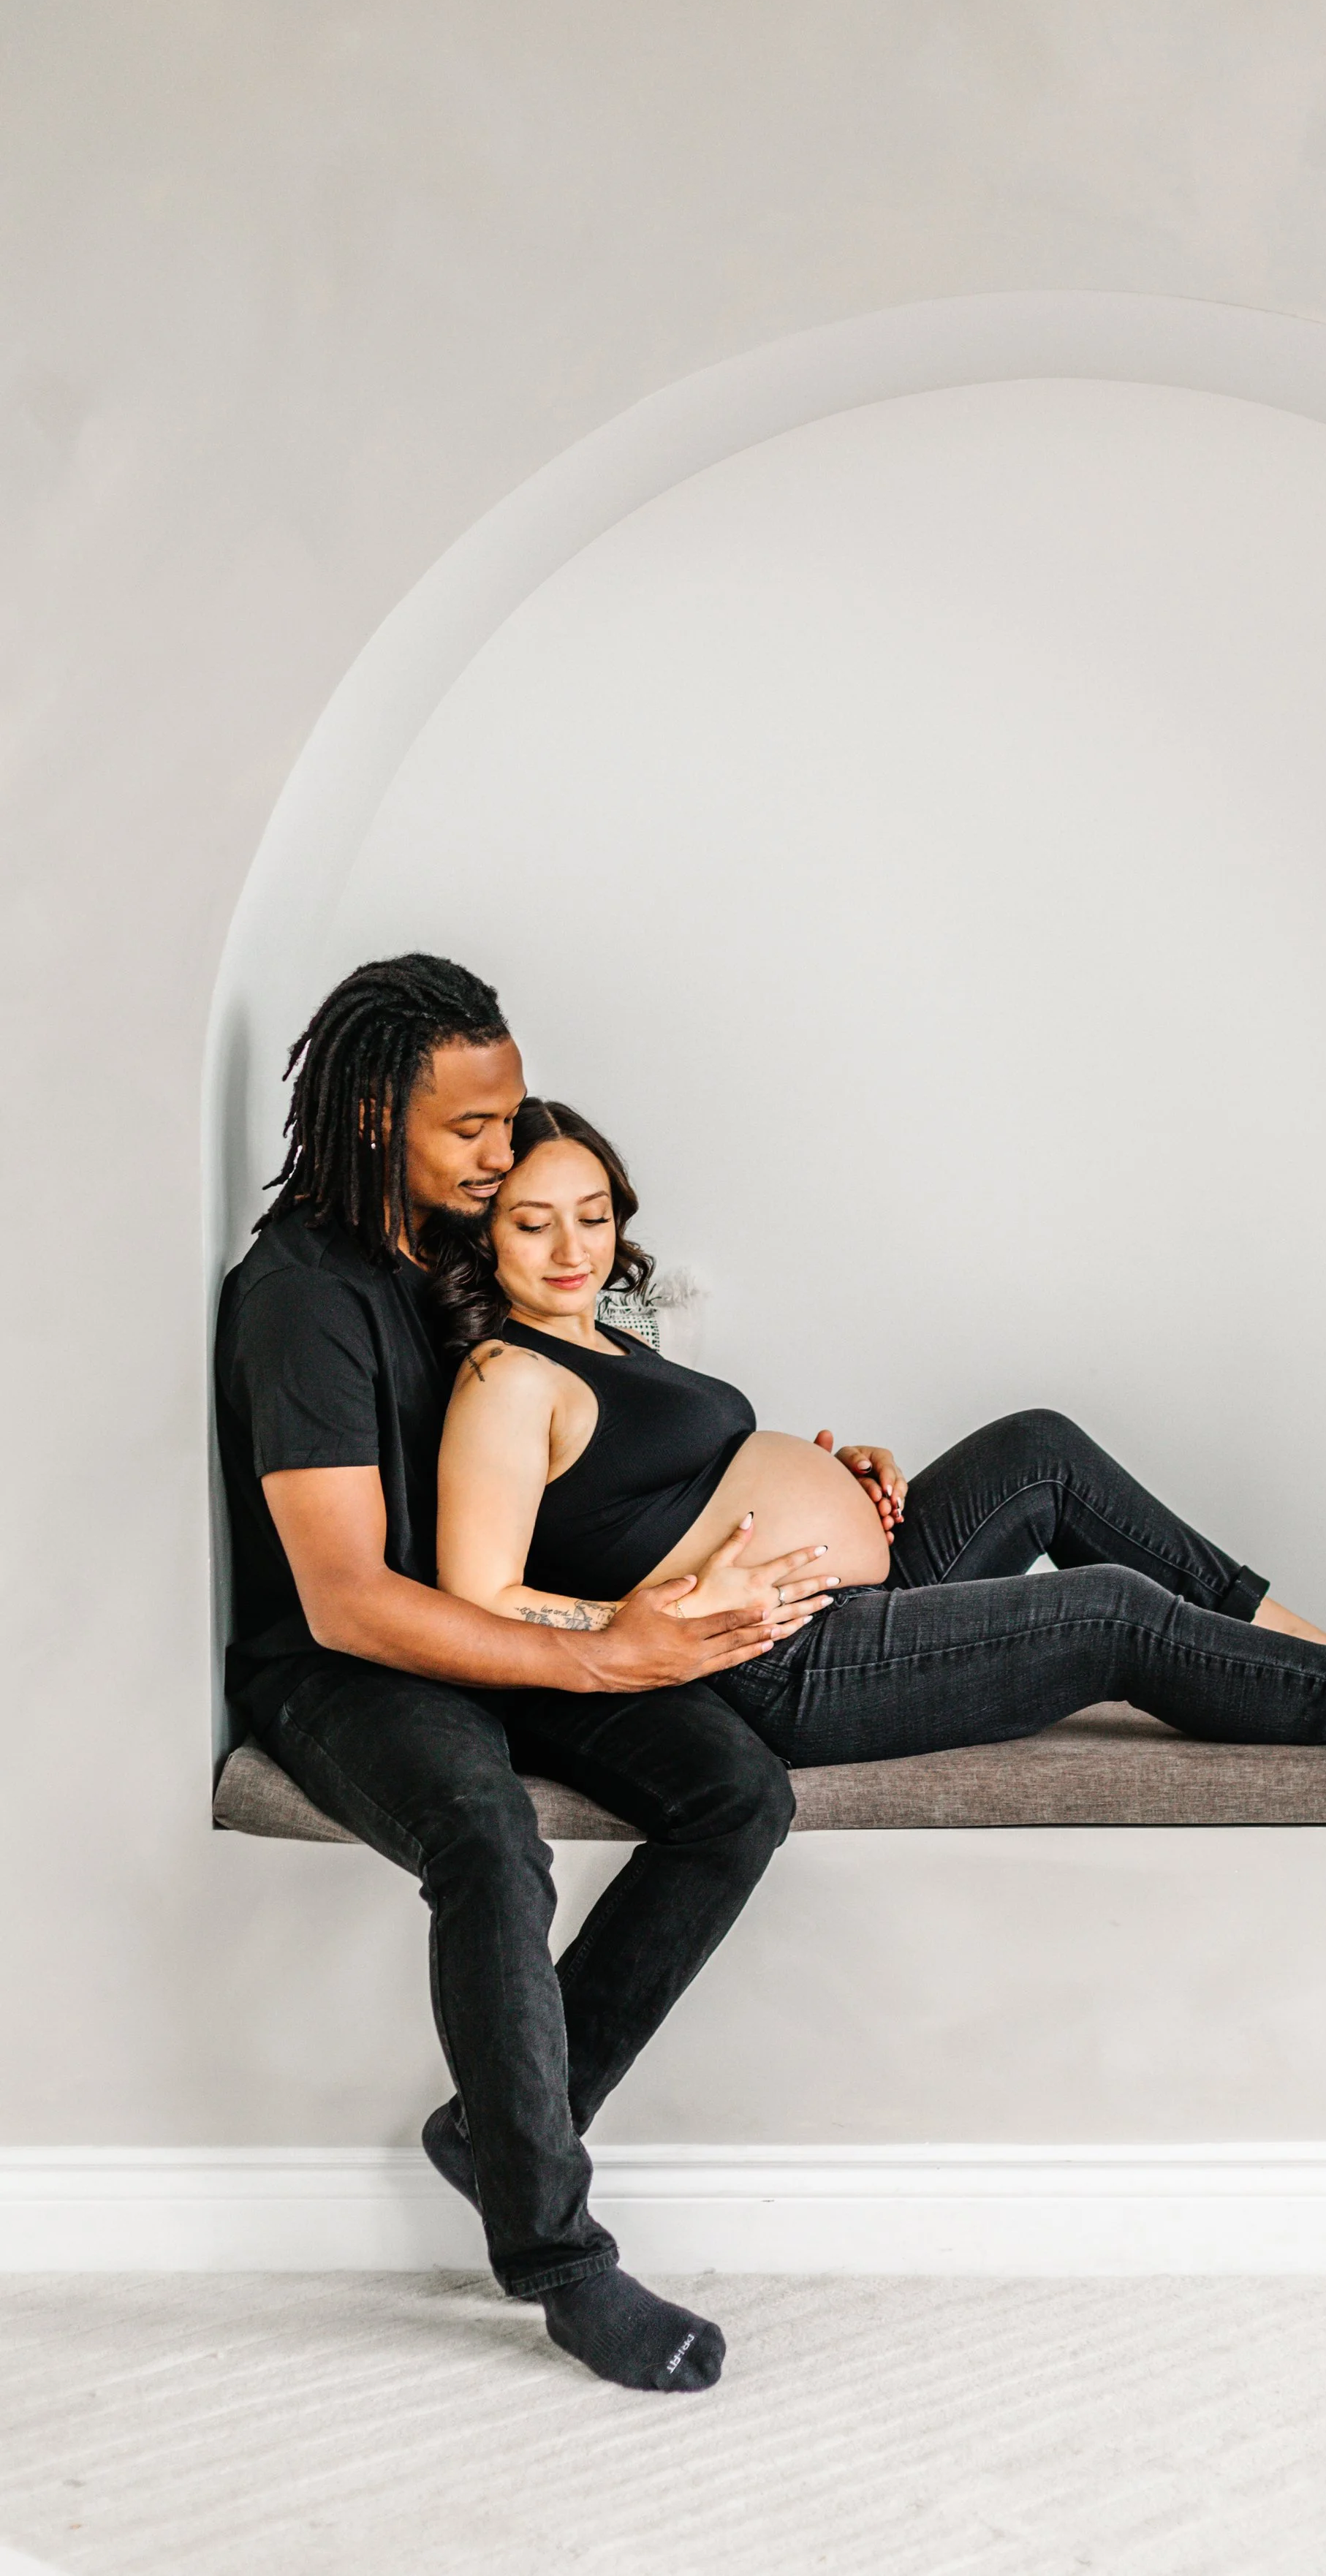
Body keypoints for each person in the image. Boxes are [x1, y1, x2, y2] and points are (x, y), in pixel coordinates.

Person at [215, 955, 844, 2397]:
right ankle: (555, 2257)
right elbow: (350, 1596)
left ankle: (509, 2117)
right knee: (490, 1843)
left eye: (508, 1122)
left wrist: (809, 1482)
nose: (504, 1157)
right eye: (473, 1134)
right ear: (375, 1121)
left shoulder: (437, 1256)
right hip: (345, 1664)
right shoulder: (300, 1304)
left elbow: (584, 1437)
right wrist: (604, 1647)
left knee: (731, 1793)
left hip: (481, 1624)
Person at [432, 1099, 1326, 1791]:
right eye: (531, 1224)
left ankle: (1324, 1664)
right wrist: (652, 1626)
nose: (568, 1248)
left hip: (837, 1601)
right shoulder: (504, 1375)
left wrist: (832, 1485)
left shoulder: (615, 1347)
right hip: (776, 1667)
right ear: (483, 1235)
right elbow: (475, 1599)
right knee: (1107, 1611)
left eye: (590, 1216)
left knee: (1039, 1446)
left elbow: (669, 1490)